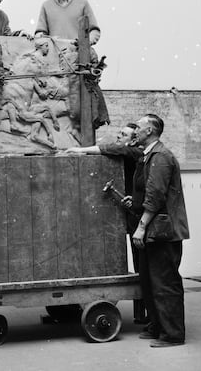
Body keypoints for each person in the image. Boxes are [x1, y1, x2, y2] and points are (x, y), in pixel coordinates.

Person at [66, 123, 147, 323]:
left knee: (141, 262)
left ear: (134, 140)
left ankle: (145, 313)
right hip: (128, 209)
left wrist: (80, 150)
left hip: (137, 213)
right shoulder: (127, 151)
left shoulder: (135, 152)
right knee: (137, 262)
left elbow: (112, 148)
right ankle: (142, 314)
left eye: (124, 134)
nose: (119, 136)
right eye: (119, 133)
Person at [127, 114, 190, 347]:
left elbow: (155, 197)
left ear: (150, 131)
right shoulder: (148, 156)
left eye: (139, 128)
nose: (135, 131)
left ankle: (172, 335)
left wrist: (141, 227)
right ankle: (158, 326)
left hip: (163, 232)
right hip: (155, 230)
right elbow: (146, 192)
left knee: (165, 283)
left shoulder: (161, 157)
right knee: (150, 282)